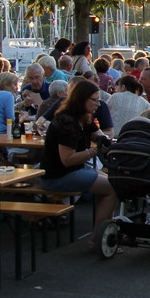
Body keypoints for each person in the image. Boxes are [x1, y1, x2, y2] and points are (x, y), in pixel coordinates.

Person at [39, 80, 117, 247]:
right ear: (82, 100)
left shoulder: (84, 118)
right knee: (113, 188)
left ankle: (107, 231)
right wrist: (94, 151)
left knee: (114, 181)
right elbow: (67, 160)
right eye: (95, 100)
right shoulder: (67, 122)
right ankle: (98, 238)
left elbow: (99, 136)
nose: (98, 104)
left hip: (71, 171)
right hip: (58, 176)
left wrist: (111, 143)